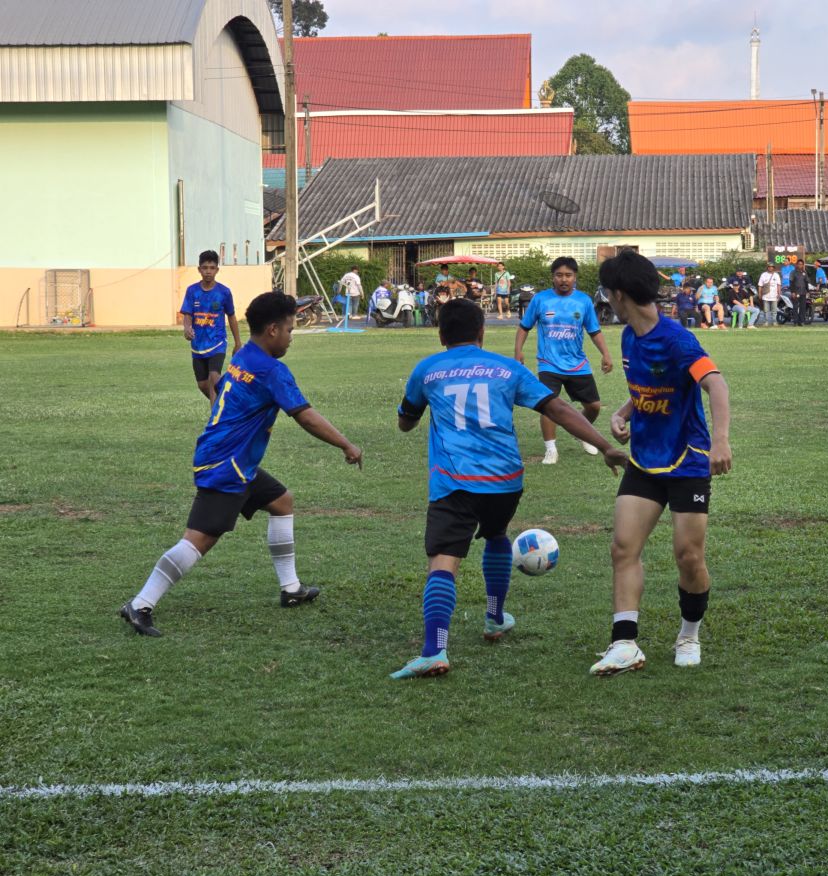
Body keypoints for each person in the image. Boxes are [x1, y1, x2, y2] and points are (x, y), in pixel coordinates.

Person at [391, 300, 625, 679]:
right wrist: (605, 446)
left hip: (455, 482)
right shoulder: (507, 369)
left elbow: (406, 421)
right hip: (505, 481)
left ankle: (435, 649)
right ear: (482, 332)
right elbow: (559, 409)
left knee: (443, 561)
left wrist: (416, 413)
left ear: (440, 334)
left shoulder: (427, 370)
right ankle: (495, 617)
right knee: (496, 534)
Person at [119, 291, 363, 638]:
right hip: (226, 464)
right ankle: (141, 604)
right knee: (199, 540)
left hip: (229, 458)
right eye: (290, 330)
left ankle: (291, 589)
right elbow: (305, 416)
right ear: (273, 330)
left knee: (282, 502)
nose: (292, 337)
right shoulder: (272, 371)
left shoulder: (244, 354)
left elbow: (219, 388)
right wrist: (346, 444)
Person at [589, 250, 732, 675]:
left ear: (619, 294)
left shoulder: (676, 339)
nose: (606, 300)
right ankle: (624, 643)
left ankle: (689, 634)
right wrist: (623, 412)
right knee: (623, 548)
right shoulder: (628, 337)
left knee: (688, 556)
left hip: (687, 461)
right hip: (644, 460)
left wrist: (720, 441)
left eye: (606, 293)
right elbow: (646, 386)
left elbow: (716, 384)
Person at [514, 257, 615, 465]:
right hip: (548, 363)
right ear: (553, 277)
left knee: (594, 406)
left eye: (568, 275)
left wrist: (606, 354)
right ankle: (551, 450)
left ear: (575, 277)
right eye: (559, 275)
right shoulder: (540, 299)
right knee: (548, 405)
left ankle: (580, 431)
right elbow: (524, 327)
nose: (563, 279)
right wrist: (518, 351)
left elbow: (594, 331)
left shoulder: (584, 301)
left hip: (577, 364)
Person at [180, 249, 241, 402]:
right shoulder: (192, 291)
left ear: (217, 270)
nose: (208, 271)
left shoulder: (224, 292)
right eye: (205, 268)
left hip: (217, 342)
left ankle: (215, 416)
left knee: (214, 377)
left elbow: (231, 316)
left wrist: (238, 343)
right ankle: (226, 406)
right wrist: (187, 328)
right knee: (202, 385)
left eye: (212, 268)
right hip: (198, 345)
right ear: (199, 269)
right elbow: (187, 314)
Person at [789, 261, 810, 325]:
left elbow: (806, 282)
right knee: (795, 307)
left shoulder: (804, 272)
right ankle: (795, 321)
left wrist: (808, 291)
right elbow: (791, 283)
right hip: (796, 292)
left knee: (803, 307)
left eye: (801, 264)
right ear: (796, 265)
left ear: (803, 265)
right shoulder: (793, 272)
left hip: (803, 292)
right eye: (799, 264)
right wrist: (792, 292)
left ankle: (801, 321)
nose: (800, 265)